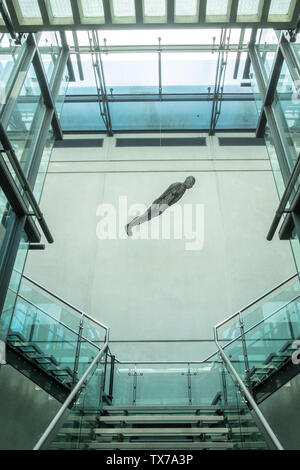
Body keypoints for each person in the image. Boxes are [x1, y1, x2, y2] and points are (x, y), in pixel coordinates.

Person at [125, 176, 196, 237]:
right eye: (192, 184)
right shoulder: (181, 186)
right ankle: (129, 225)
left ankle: (130, 225)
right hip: (161, 204)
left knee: (147, 217)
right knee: (146, 216)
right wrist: (161, 206)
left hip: (161, 204)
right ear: (188, 181)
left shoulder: (181, 187)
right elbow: (170, 195)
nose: (191, 186)